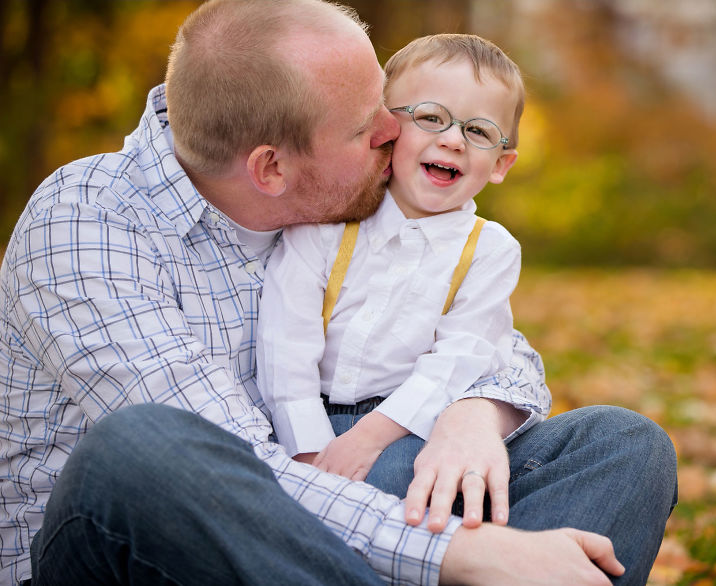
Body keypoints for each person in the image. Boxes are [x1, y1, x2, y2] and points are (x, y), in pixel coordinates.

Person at [0, 1, 677, 585]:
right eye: (366, 126)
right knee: (142, 449)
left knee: (620, 446)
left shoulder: (339, 192)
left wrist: (477, 410)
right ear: (271, 168)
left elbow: (482, 330)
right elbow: (244, 476)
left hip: (333, 522)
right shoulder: (89, 223)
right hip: (151, 545)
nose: (397, 132)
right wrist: (462, 554)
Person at [256, 33, 524, 486]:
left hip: (408, 428)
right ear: (386, 129)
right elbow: (286, 342)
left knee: (402, 480)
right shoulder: (327, 222)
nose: (454, 140)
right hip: (302, 422)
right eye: (431, 117)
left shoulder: (490, 250)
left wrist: (368, 440)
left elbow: (458, 360)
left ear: (501, 163)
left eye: (478, 131)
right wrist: (308, 453)